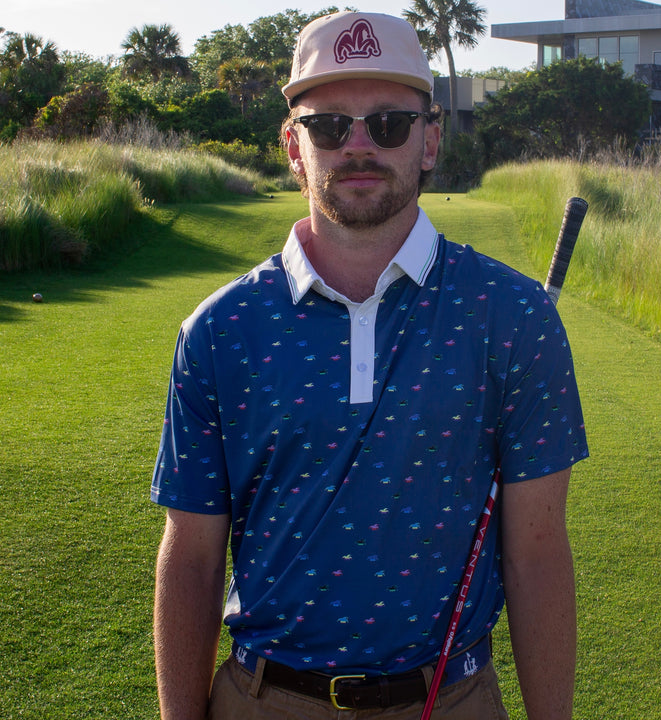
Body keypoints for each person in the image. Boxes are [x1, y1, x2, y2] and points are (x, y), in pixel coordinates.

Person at [151, 10, 589, 720]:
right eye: (329, 126)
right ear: (294, 146)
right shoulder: (218, 331)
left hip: (453, 700)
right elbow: (193, 559)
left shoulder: (514, 318)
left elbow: (538, 556)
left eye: (388, 124)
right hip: (263, 701)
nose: (359, 146)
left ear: (429, 141)